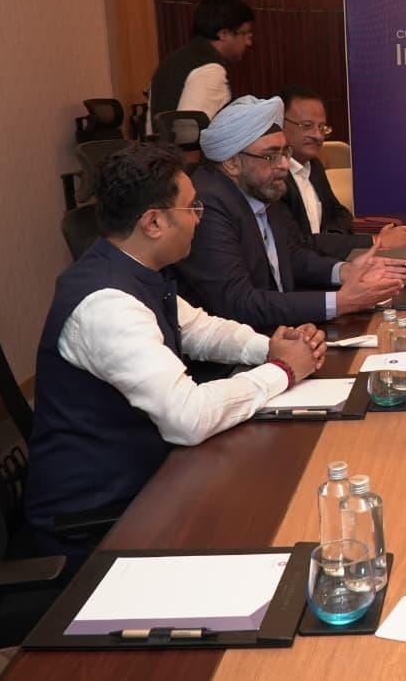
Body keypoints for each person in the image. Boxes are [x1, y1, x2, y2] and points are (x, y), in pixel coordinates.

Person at [26, 144, 327, 560]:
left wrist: (272, 347)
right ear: (153, 222)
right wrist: (283, 370)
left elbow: (199, 328)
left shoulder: (133, 267)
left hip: (150, 480)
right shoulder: (107, 304)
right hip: (101, 523)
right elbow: (188, 417)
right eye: (192, 207)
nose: (199, 217)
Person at [176, 95, 406, 330]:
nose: (284, 165)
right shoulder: (207, 204)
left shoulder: (262, 188)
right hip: (238, 347)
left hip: (284, 333)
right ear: (232, 163)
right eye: (270, 156)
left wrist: (345, 271)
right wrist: (340, 302)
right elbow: (238, 302)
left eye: (285, 152)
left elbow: (292, 256)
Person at [278, 85, 406, 258]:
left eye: (322, 127)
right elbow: (299, 243)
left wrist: (330, 239)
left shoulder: (314, 166)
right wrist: (376, 241)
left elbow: (340, 214)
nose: (318, 136)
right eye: (307, 126)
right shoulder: (274, 176)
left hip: (329, 261)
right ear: (279, 124)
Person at [149, 0, 255, 118]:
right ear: (224, 34)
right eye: (245, 33)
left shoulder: (170, 61)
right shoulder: (209, 70)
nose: (249, 42)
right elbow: (191, 128)